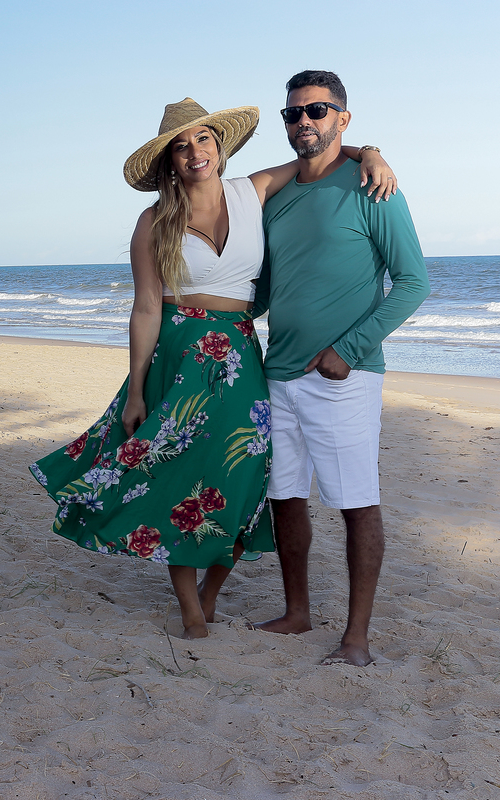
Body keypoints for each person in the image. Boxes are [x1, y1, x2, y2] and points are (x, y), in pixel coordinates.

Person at [29, 97, 397, 639]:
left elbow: (319, 152)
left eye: (203, 139)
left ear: (220, 148)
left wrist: (373, 153)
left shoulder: (254, 190)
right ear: (169, 162)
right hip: (180, 354)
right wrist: (137, 391)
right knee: (175, 473)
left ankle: (211, 592)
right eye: (180, 146)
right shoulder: (154, 221)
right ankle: (190, 610)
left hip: (240, 356)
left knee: (242, 478)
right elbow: (146, 308)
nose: (194, 151)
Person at [253, 71, 429, 666]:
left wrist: (349, 350)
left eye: (318, 110)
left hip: (344, 378)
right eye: (293, 113)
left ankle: (356, 638)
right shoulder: (277, 199)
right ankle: (297, 612)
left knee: (356, 501)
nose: (304, 120)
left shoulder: (373, 186)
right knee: (284, 497)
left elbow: (413, 283)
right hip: (277, 374)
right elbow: (268, 290)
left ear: (342, 119)